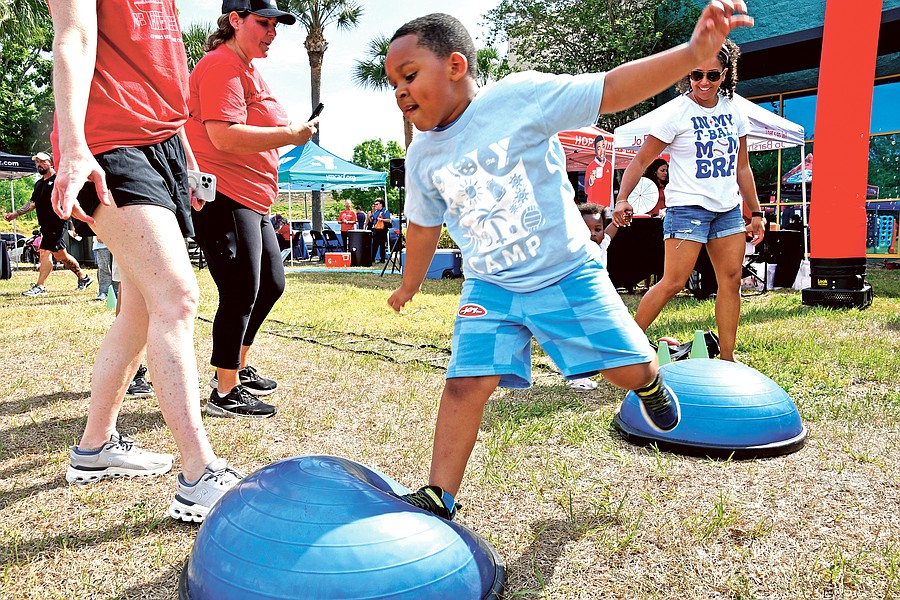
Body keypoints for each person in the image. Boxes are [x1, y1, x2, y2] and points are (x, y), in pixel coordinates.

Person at [385, 5, 752, 520]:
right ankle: (439, 494)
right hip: (490, 287)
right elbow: (423, 227)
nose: (399, 92)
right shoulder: (422, 155)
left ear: (455, 66)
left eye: (409, 76)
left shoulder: (519, 97)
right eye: (392, 84)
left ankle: (650, 381)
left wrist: (691, 54)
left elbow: (611, 88)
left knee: (625, 371)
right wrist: (410, 284)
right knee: (465, 384)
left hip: (567, 273)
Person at [49, 0, 240, 523]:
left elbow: (163, 78)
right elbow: (74, 36)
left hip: (164, 146)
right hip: (106, 142)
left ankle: (95, 446)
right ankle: (198, 473)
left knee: (139, 310)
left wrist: (188, 163)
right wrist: (73, 146)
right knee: (177, 296)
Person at [187, 0, 317, 418]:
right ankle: (224, 392)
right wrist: (290, 134)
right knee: (241, 289)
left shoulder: (246, 68)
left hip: (253, 198)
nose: (271, 33)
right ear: (235, 20)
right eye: (263, 23)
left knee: (271, 285)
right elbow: (223, 136)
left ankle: (237, 368)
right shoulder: (221, 65)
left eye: (275, 26)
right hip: (225, 195)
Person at [613, 39, 765, 363]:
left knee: (731, 281)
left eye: (712, 75)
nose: (704, 82)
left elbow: (743, 167)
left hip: (727, 210)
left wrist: (756, 212)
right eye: (697, 75)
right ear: (688, 75)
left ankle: (728, 359)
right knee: (673, 282)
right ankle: (624, 352)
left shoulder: (734, 111)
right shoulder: (677, 113)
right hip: (687, 208)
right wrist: (622, 198)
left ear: (725, 74)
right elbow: (641, 161)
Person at [5, 152, 94, 296]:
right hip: (45, 225)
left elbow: (71, 199)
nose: (39, 164)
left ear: (51, 163)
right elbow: (32, 203)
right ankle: (84, 277)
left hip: (57, 223)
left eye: (43, 161)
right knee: (61, 256)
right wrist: (15, 214)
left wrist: (76, 221)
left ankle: (40, 287)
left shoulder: (59, 180)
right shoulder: (39, 184)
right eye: (37, 162)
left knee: (44, 252)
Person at [566, 203, 619, 391]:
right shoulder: (574, 250)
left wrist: (618, 220)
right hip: (578, 303)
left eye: (598, 229)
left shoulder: (602, 245)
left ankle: (612, 366)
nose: (593, 234)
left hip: (600, 300)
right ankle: (577, 377)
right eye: (586, 229)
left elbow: (611, 230)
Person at [584, 135, 613, 208]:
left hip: (607, 206)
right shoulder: (590, 167)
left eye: (603, 147)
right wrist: (591, 181)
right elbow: (586, 190)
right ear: (595, 151)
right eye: (599, 148)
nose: (602, 151)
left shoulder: (609, 165)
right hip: (594, 207)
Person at [92, 236, 112, 301]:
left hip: (120, 241)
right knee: (104, 268)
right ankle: (103, 292)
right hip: (102, 244)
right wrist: (98, 234)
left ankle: (117, 291)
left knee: (117, 269)